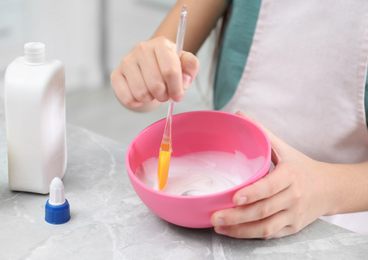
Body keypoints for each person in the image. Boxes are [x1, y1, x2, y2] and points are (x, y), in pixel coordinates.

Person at [111, 0, 368, 239]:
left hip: (343, 225)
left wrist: (325, 189)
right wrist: (141, 79)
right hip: (217, 206)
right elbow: (153, 93)